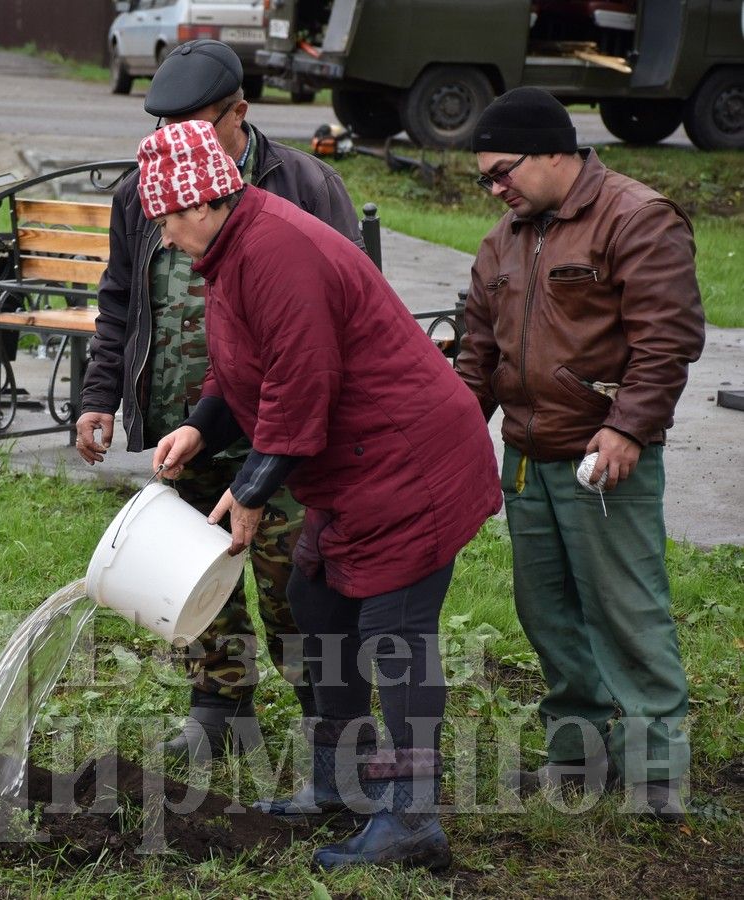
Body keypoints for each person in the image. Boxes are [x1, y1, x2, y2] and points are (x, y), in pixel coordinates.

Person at [140, 120, 500, 871]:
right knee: (316, 601)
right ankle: (342, 783)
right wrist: (201, 429)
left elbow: (303, 383)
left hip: (409, 461)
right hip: (353, 467)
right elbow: (247, 367)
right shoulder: (232, 253)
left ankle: (410, 818)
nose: (165, 237)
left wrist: (250, 491)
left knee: (395, 635)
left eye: (168, 218)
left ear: (205, 200)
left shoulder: (277, 250)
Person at [76, 38, 364, 766]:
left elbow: (346, 314)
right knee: (195, 570)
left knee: (294, 579)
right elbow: (118, 301)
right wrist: (98, 395)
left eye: (193, 126)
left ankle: (320, 719)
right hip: (188, 421)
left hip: (284, 425)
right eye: (162, 128)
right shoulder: (138, 190)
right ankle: (219, 706)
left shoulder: (304, 185)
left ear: (239, 111)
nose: (173, 144)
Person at [456, 88, 705, 819]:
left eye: (501, 171)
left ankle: (656, 773)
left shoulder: (636, 217)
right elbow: (477, 351)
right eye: (485, 179)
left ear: (553, 152)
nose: (494, 188)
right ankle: (577, 752)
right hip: (528, 457)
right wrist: (442, 428)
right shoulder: (503, 238)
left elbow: (667, 338)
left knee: (625, 609)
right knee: (546, 611)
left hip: (603, 459)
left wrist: (628, 426)